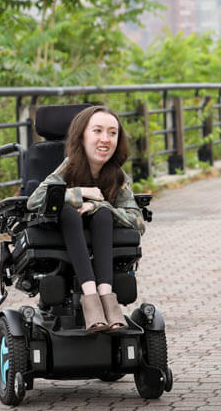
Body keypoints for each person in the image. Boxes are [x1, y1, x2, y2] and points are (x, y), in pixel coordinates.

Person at [27, 105, 145, 332]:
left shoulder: (117, 175)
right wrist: (82, 193)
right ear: (82, 136)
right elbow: (35, 200)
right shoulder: (69, 166)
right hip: (63, 232)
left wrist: (100, 205)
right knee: (68, 210)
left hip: (101, 231)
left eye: (112, 133)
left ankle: (106, 298)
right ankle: (90, 297)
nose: (106, 139)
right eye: (98, 131)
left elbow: (138, 221)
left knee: (101, 214)